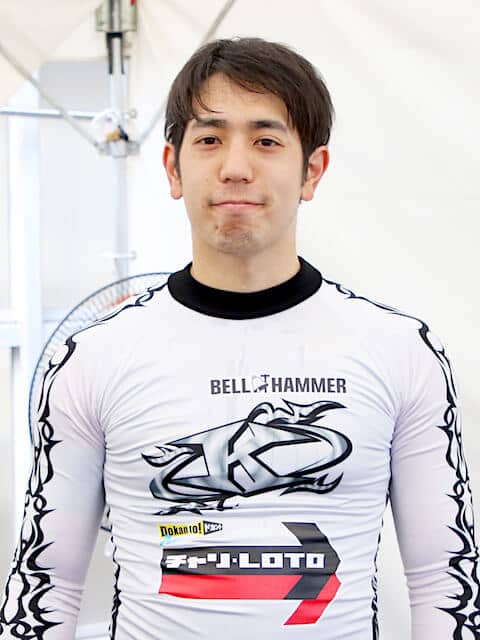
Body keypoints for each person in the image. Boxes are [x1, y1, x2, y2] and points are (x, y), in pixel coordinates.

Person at [0, 37, 478, 640]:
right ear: (173, 167)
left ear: (312, 171)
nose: (235, 166)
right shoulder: (91, 357)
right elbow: (46, 582)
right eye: (209, 139)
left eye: (266, 140)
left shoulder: (401, 350)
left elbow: (444, 577)